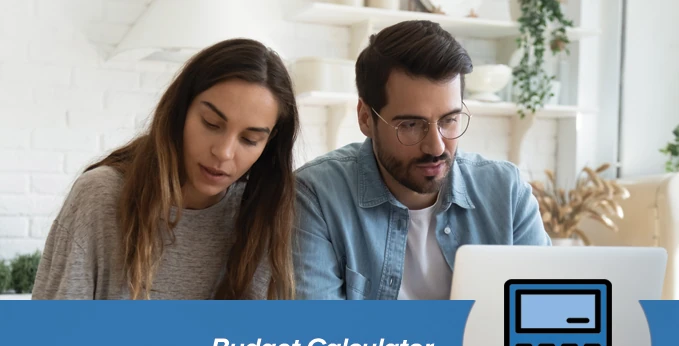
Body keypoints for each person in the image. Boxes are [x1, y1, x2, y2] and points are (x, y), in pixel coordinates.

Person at [293, 20, 551, 300]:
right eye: (411, 125)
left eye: (449, 120)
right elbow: (324, 336)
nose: (436, 146)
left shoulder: (507, 193)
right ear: (366, 118)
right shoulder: (315, 195)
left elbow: (545, 318)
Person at [32, 38, 299, 303]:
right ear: (180, 111)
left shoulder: (262, 215)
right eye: (211, 123)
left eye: (249, 140)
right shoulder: (100, 197)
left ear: (269, 142)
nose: (224, 152)